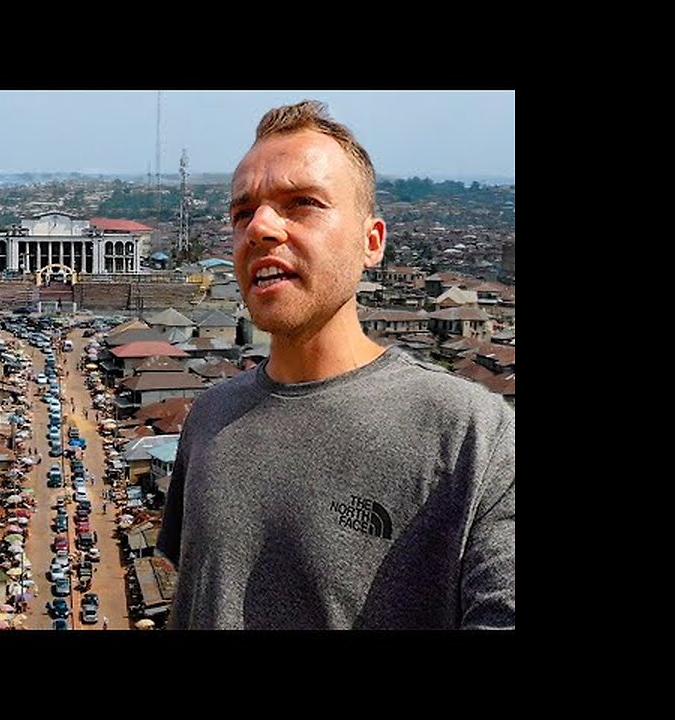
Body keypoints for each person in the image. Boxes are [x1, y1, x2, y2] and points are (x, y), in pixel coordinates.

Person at [155, 100, 514, 630]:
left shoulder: (474, 437)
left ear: (372, 243)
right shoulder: (210, 418)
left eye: (302, 203)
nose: (260, 228)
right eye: (242, 213)